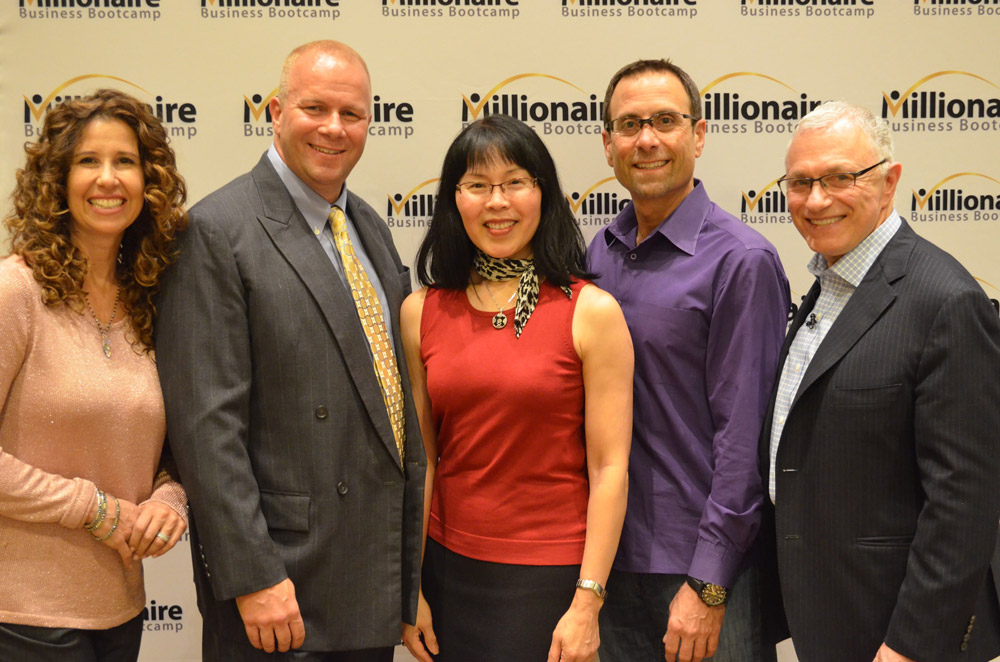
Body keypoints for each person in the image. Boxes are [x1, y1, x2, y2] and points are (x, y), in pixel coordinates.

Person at [155, 40, 425, 661]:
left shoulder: (369, 227)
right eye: (315, 108)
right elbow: (205, 429)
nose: (334, 128)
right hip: (281, 588)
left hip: (368, 575)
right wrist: (253, 577)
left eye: (352, 114)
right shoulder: (216, 231)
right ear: (276, 112)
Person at [759, 100, 1000, 662]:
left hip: (894, 632)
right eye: (801, 183)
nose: (816, 200)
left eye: (839, 178)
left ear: (889, 182)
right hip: (829, 613)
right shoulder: (829, 285)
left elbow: (964, 502)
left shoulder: (947, 301)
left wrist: (910, 645)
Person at [398, 114, 633, 662]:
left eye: (515, 183)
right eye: (477, 185)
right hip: (447, 570)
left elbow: (610, 468)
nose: (497, 202)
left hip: (550, 578)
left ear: (542, 194)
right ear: (454, 200)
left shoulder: (591, 312)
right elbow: (422, 460)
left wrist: (587, 601)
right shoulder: (420, 311)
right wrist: (412, 586)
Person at [587, 59, 791, 662]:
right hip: (608, 563)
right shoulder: (600, 251)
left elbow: (745, 436)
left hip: (701, 572)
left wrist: (709, 580)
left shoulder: (741, 261)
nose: (647, 139)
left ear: (698, 135)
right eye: (630, 125)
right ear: (608, 144)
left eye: (666, 121)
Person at [0, 88, 189, 661]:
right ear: (57, 180)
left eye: (125, 161)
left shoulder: (151, 300)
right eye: (88, 161)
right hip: (22, 614)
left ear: (149, 182)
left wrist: (171, 499)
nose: (108, 179)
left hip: (121, 607)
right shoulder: (15, 291)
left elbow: (170, 443)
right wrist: (95, 509)